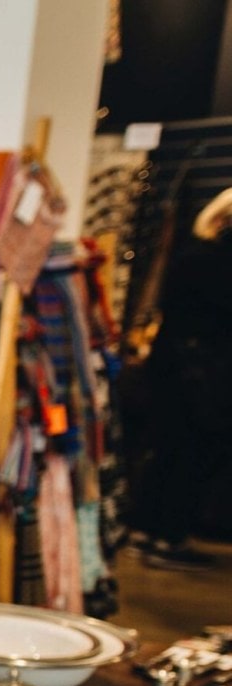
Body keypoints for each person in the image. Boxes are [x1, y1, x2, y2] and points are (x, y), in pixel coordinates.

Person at [136, 189, 232, 571]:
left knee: (168, 453)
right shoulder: (212, 261)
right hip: (199, 378)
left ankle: (152, 530)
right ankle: (167, 535)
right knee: (186, 456)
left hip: (179, 373)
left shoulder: (191, 257)